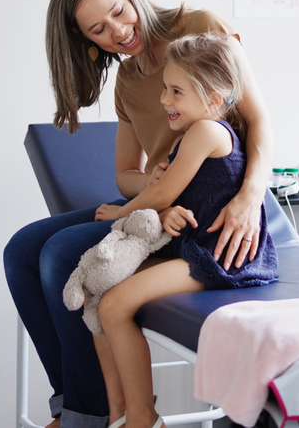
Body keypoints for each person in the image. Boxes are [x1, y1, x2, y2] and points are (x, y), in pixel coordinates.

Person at [4, 0, 274, 428]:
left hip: (217, 205)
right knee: (22, 250)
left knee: (60, 255)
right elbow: (128, 173)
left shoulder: (201, 28)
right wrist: (149, 187)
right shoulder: (128, 80)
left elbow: (257, 119)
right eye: (98, 30)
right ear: (86, 40)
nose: (118, 31)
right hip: (161, 205)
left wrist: (250, 195)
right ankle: (70, 402)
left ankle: (86, 417)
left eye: (118, 11)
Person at [93, 32, 277, 428]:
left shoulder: (207, 132)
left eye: (176, 91)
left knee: (112, 304)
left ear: (213, 100)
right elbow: (180, 199)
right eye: (165, 88)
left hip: (220, 257)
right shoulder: (193, 134)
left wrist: (120, 212)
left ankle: (143, 418)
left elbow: (161, 195)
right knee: (97, 293)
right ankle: (119, 413)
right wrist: (167, 208)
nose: (164, 100)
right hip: (195, 246)